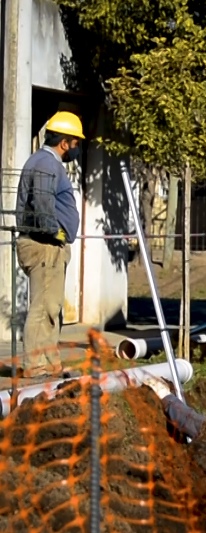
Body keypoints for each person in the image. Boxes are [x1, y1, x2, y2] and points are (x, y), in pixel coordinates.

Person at [15, 111, 84, 379]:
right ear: (64, 142)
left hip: (49, 247)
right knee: (42, 307)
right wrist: (54, 231)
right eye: (75, 142)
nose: (76, 148)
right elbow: (42, 201)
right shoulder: (46, 163)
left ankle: (50, 363)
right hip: (43, 245)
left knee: (51, 307)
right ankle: (35, 365)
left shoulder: (47, 162)